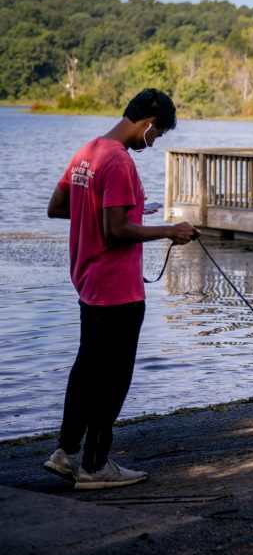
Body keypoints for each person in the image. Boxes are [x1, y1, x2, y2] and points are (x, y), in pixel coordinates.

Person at [44, 88, 199, 490]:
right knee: (113, 377)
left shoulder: (88, 152)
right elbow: (115, 231)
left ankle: (65, 452)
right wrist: (170, 230)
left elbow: (60, 206)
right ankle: (96, 466)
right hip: (118, 290)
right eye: (159, 134)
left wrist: (130, 211)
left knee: (86, 368)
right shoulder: (119, 162)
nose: (156, 141)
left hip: (89, 281)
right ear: (148, 124)